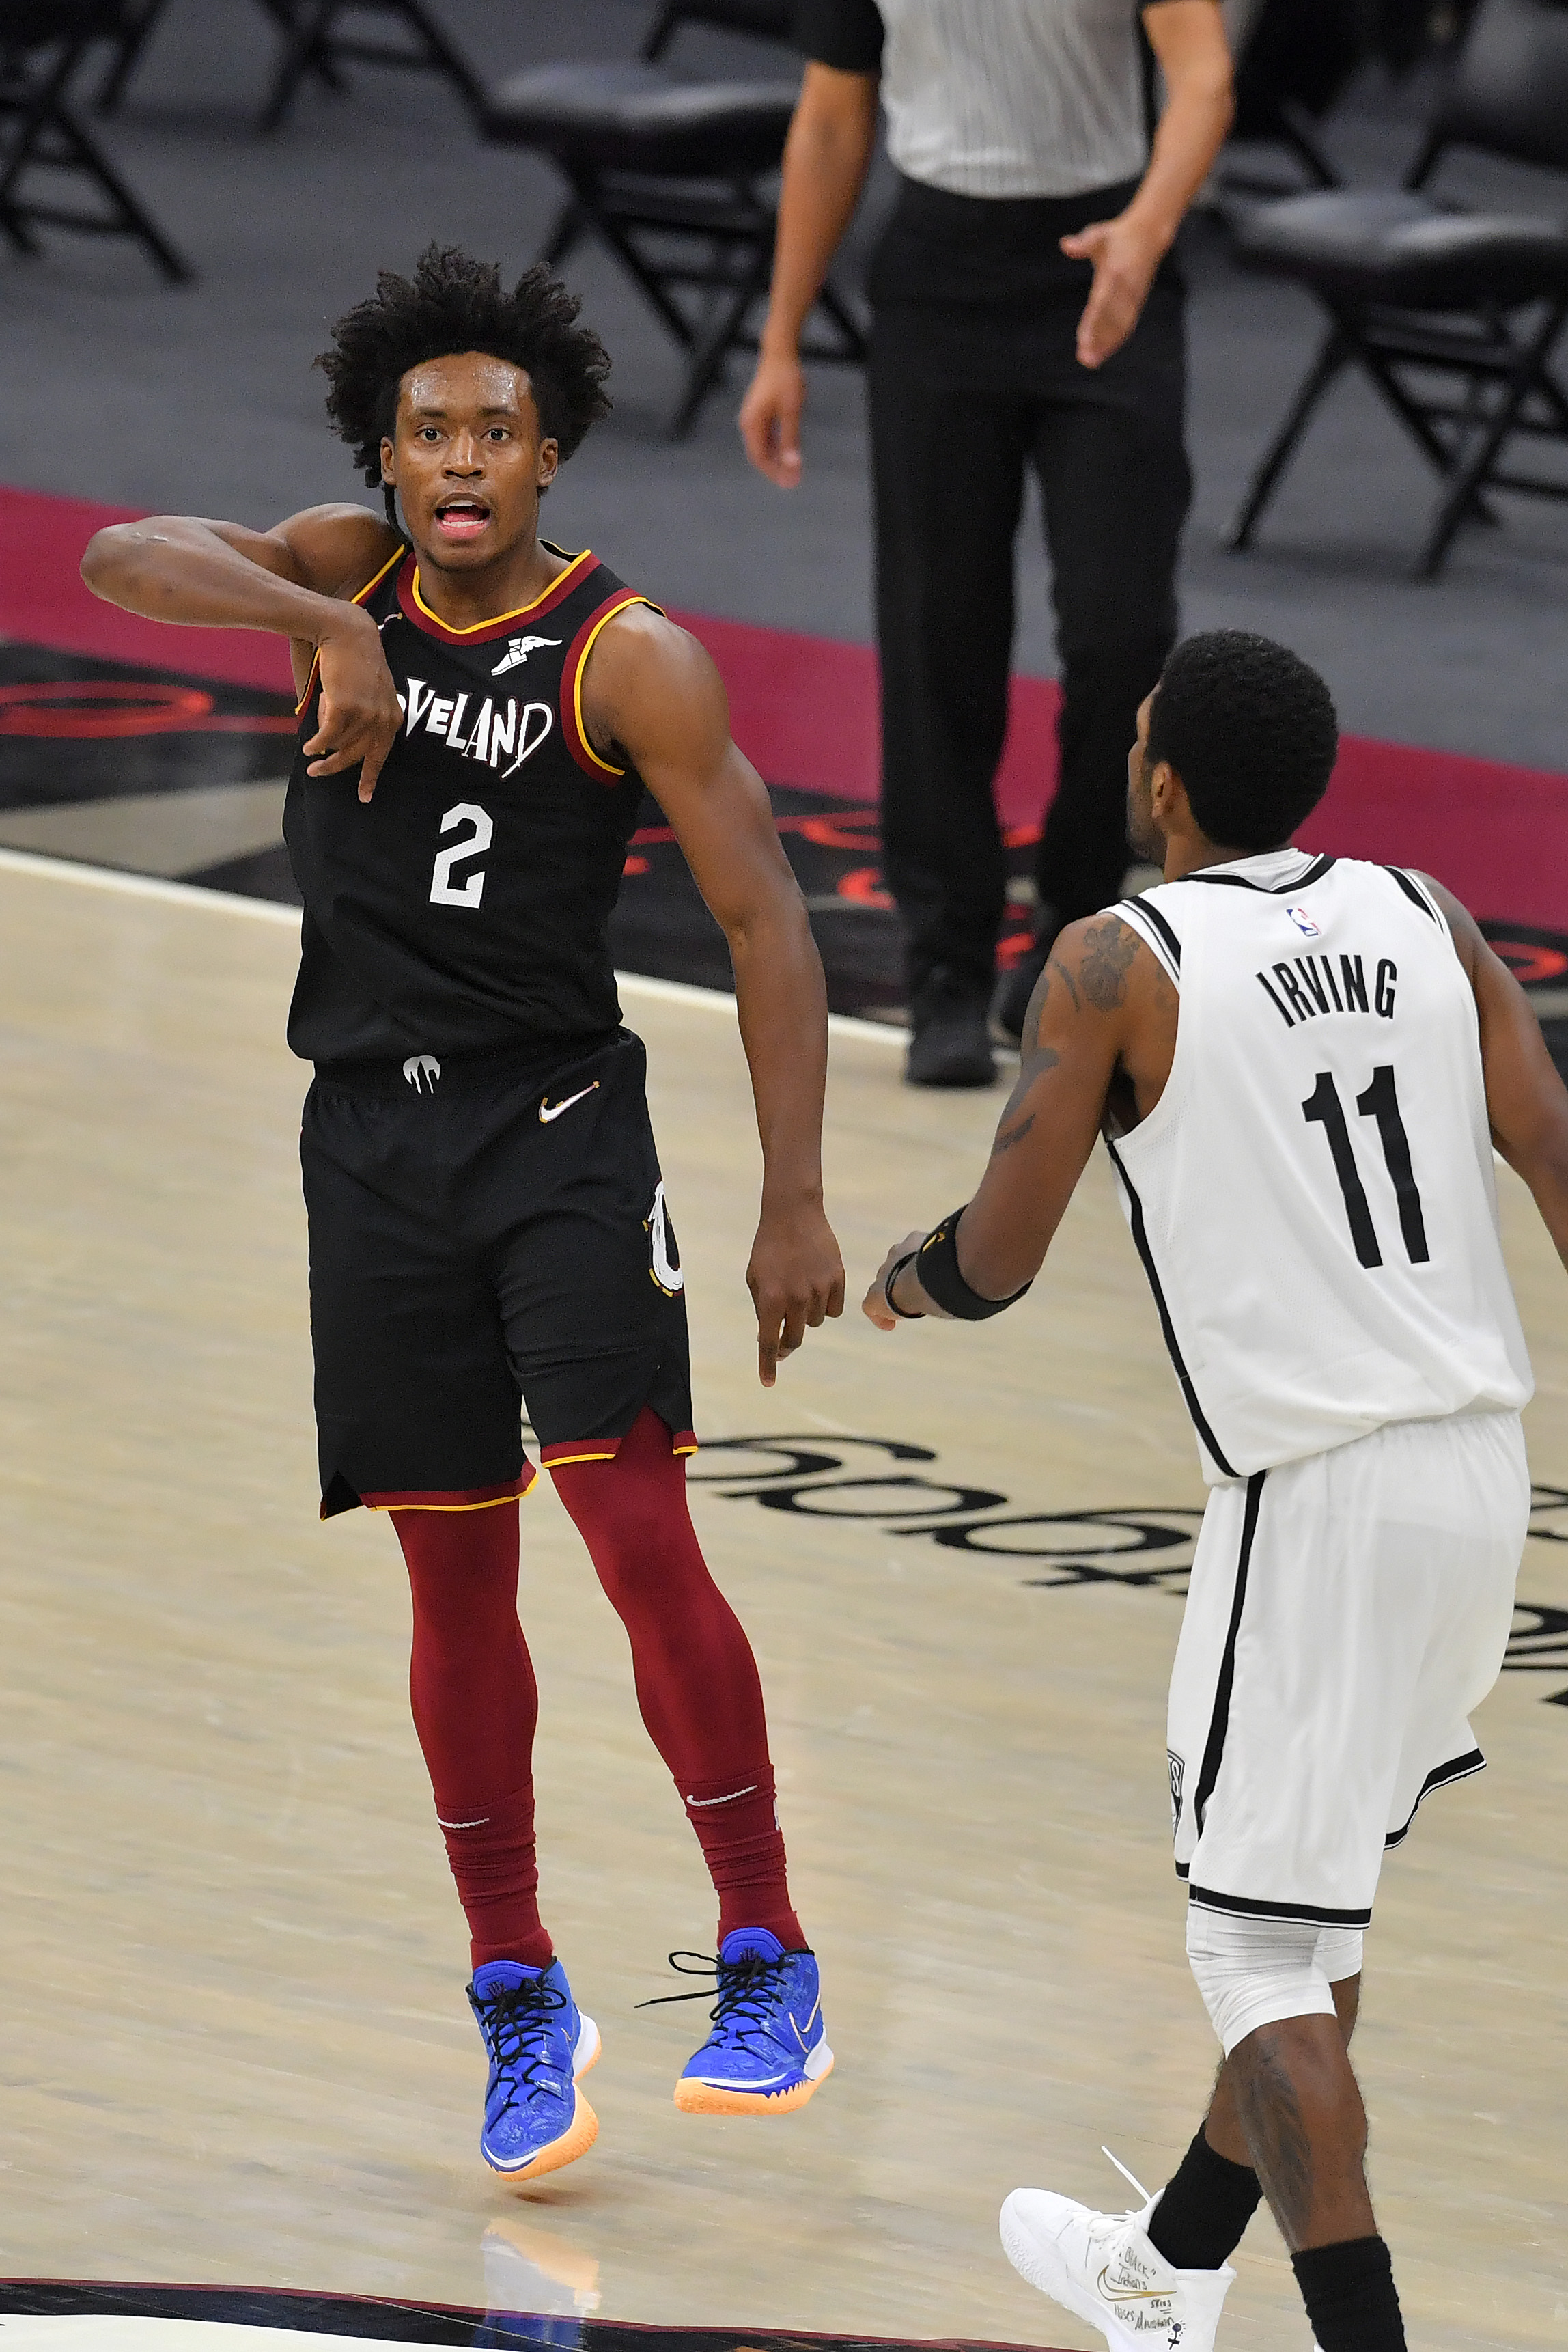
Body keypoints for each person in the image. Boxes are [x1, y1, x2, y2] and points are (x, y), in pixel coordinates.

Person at [82, 246, 845, 2185]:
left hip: (561, 1128)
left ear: (554, 453)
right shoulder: (336, 567)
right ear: (388, 456)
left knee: (632, 1526)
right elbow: (119, 553)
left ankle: (766, 1942)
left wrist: (794, 1203)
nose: (459, 461)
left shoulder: (630, 653)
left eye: (495, 430)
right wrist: (316, 625)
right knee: (451, 1580)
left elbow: (769, 923)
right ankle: (517, 1990)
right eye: (427, 432)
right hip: (370, 1143)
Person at [862, 630, 1566, 2350]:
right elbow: (1554, 1151)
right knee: (1307, 1909)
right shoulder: (1428, 915)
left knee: (1255, 1955)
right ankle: (1163, 2271)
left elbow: (1001, 1259)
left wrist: (897, 1278)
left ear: (1157, 782)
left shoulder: (1115, 963)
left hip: (1312, 1492)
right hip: (1482, 1470)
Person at [740, 0, 1233, 1088]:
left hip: (1108, 261)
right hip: (940, 281)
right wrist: (780, 339)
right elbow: (830, 120)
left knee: (1121, 629)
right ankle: (947, 967)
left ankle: (1077, 913)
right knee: (937, 631)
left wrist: (1145, 235)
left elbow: (1203, 78)